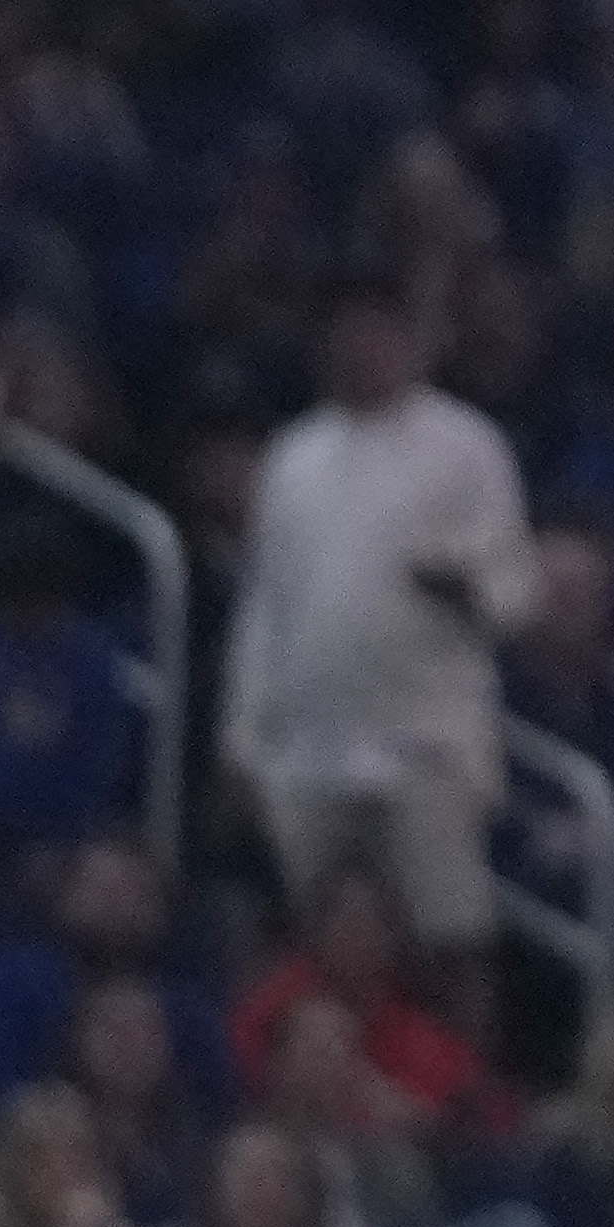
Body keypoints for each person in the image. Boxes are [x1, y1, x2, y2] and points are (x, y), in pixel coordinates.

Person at [224, 288, 523, 997]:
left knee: (449, 941)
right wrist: (239, 733)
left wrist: (465, 589)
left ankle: (460, 1096)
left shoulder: (467, 445)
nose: (365, 346)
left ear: (413, 340)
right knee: (311, 941)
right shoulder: (295, 453)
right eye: (351, 329)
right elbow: (265, 603)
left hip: (426, 746)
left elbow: (515, 585)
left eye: (382, 331)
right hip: (309, 747)